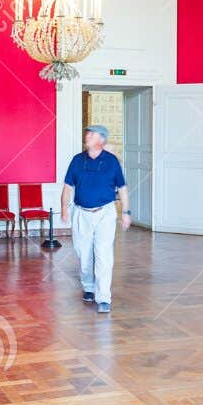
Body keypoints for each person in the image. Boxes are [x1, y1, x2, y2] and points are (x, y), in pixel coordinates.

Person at [61, 123, 130, 314]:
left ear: (101, 140)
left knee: (103, 254)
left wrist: (126, 212)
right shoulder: (77, 160)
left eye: (91, 134)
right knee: (83, 254)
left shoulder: (112, 162)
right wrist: (64, 209)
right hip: (81, 213)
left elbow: (122, 188)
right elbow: (67, 187)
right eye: (87, 133)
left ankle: (104, 297)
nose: (87, 136)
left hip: (105, 213)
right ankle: (89, 287)